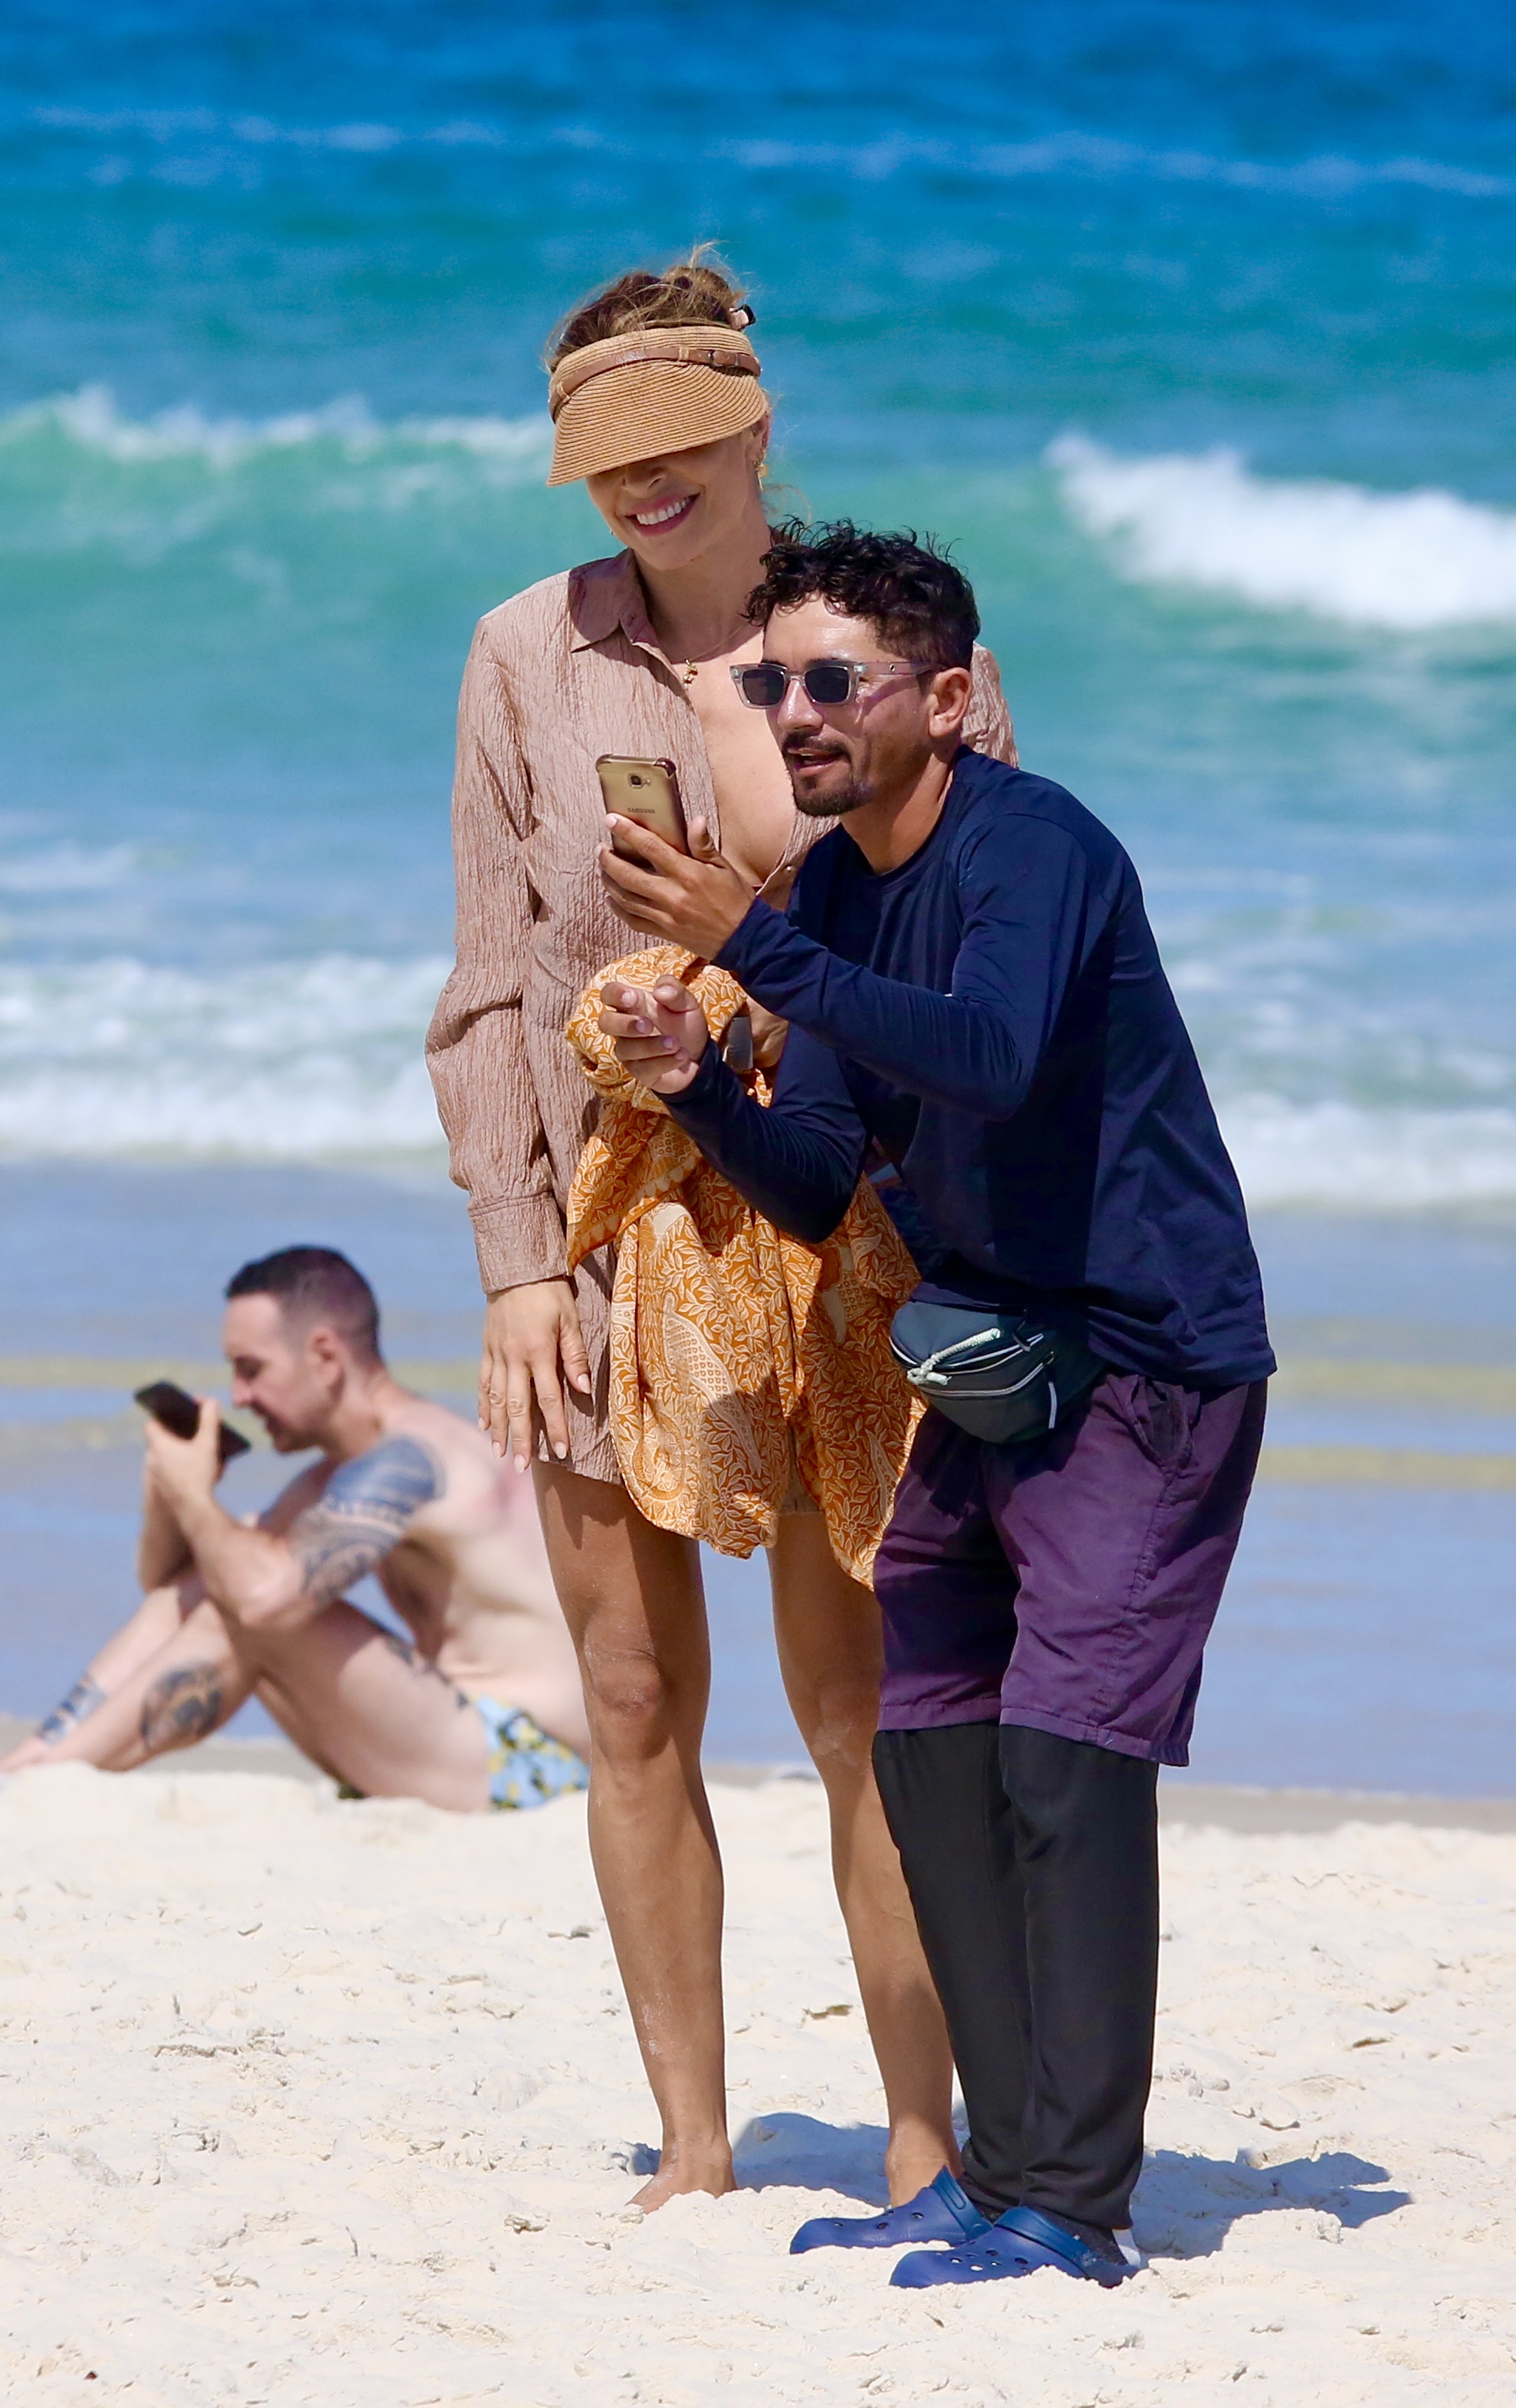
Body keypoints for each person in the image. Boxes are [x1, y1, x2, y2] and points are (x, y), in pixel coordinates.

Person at [596, 523, 1275, 2287]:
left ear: (952, 700)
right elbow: (823, 1179)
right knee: (932, 1746)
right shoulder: (830, 891)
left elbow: (987, 1048)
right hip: (987, 1361)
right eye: (773, 684)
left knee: (1066, 1756)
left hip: (1147, 1361)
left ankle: (1074, 2197)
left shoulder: (1035, 848)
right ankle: (996, 2168)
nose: (796, 714)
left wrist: (755, 937)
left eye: (837, 680)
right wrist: (697, 1090)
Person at [425, 254, 1019, 2210]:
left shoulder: (888, 645)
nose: (641, 486)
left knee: (862, 1707)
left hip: (841, 1221)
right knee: (627, 1696)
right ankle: (696, 2147)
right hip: (608, 1223)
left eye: (676, 445)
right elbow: (496, 981)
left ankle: (927, 2143)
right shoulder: (526, 652)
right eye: (603, 457)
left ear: (756, 425)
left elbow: (980, 952)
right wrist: (518, 1264)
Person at [0, 1248, 590, 1812]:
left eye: (252, 1370)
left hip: (536, 1763)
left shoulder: (411, 1458)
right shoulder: (345, 1471)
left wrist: (194, 1495)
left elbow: (258, 1603)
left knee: (255, 1606)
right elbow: (171, 1582)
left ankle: (44, 1782)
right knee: (236, 1574)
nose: (240, 1396)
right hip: (463, 1743)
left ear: (326, 1357)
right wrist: (169, 1488)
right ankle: (36, 1762)